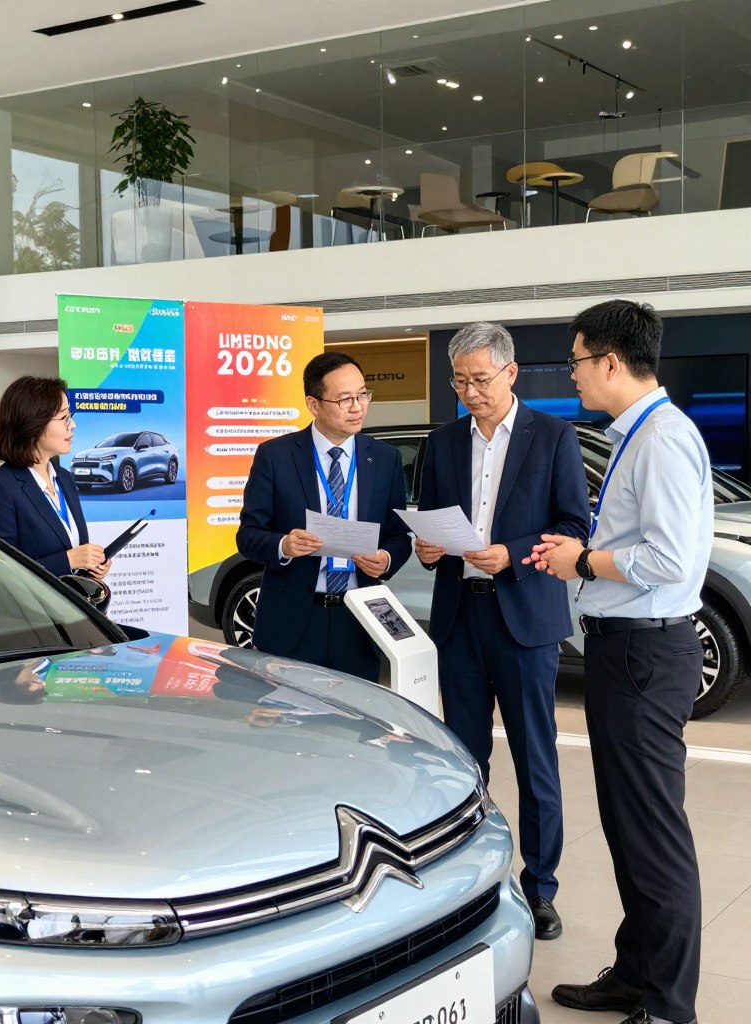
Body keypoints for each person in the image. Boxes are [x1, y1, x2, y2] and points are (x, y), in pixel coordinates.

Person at [526, 300, 711, 1024]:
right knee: (628, 824)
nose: (570, 374)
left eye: (574, 360)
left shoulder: (661, 439)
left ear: (609, 360)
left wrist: (582, 559)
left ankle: (668, 1005)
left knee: (654, 835)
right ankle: (636, 974)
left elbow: (666, 557)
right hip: (622, 648)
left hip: (643, 649)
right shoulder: (639, 434)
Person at [414, 321, 589, 941]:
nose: (469, 391)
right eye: (459, 380)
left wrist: (511, 552)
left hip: (524, 616)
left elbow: (575, 524)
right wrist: (428, 549)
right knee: (463, 761)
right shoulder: (443, 441)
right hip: (460, 617)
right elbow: (430, 519)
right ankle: (466, 881)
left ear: (511, 374)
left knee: (535, 758)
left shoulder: (554, 437)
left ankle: (541, 888)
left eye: (480, 379)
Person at [236, 351, 412, 681]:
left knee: (356, 728)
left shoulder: (384, 459)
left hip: (359, 620)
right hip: (294, 621)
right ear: (313, 404)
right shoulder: (276, 456)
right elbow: (247, 535)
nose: (358, 407)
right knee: (294, 722)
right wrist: (284, 546)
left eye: (363, 395)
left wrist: (386, 558)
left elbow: (399, 536)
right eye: (345, 399)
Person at [0, 376, 109, 580]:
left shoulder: (64, 479)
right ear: (34, 423)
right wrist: (68, 561)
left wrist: (91, 567)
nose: (73, 425)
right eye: (64, 418)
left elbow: (72, 554)